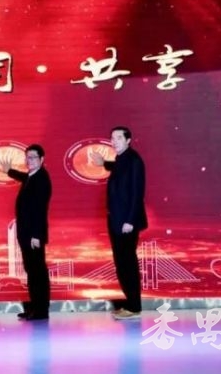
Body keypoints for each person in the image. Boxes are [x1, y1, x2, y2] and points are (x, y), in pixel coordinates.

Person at [91, 126, 147, 320]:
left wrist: (130, 220)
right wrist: (104, 163)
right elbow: (117, 168)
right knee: (121, 264)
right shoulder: (121, 159)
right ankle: (130, 304)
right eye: (112, 138)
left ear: (128, 140)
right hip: (116, 220)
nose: (114, 141)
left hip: (126, 222)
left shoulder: (134, 160)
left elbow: (137, 193)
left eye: (119, 138)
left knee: (128, 264)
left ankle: (134, 306)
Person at [0, 145, 52, 321]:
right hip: (26, 233)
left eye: (33, 157)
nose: (29, 160)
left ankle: (41, 310)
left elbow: (40, 209)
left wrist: (36, 235)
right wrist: (9, 171)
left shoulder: (42, 178)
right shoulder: (31, 176)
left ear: (42, 159)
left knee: (38, 272)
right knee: (32, 271)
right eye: (27, 157)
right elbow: (23, 176)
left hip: (33, 235)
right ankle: (34, 307)